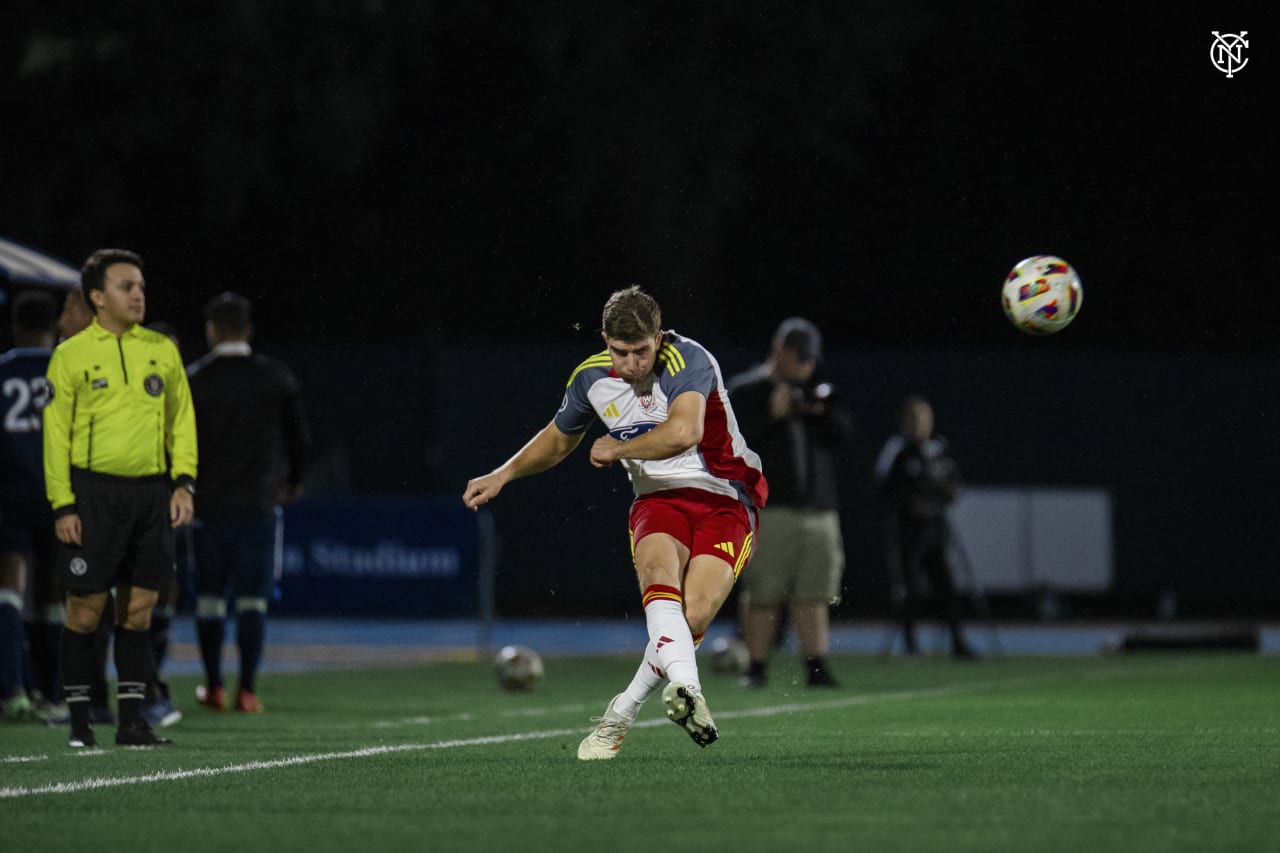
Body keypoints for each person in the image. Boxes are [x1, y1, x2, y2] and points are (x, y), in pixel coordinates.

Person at [463, 285, 768, 760]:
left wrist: (617, 448)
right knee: (659, 582)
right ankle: (690, 693)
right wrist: (504, 474)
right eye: (620, 352)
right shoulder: (590, 378)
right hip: (656, 499)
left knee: (694, 617)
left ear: (659, 338)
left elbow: (685, 431)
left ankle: (620, 712)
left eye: (641, 351)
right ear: (605, 340)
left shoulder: (688, 359)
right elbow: (558, 440)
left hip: (725, 495)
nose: (631, 364)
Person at [42, 248, 198, 747]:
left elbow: (181, 421)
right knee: (84, 611)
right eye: (126, 287)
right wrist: (63, 504)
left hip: (151, 496)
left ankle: (132, 722)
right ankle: (82, 721)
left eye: (141, 286)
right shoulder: (70, 355)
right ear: (97, 297)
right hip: (92, 496)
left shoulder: (162, 349)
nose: (137, 295)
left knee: (139, 611)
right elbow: (55, 436)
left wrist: (183, 482)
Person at [186, 292, 309, 714]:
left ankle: (215, 687)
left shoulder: (194, 379)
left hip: (208, 508)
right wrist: (293, 481)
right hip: (258, 507)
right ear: (248, 330)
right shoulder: (275, 378)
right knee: (253, 601)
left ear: (212, 330)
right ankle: (248, 690)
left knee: (209, 599)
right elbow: (299, 441)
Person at [727, 317, 851, 688]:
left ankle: (816, 666)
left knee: (815, 591)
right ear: (780, 350)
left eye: (810, 359)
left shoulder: (815, 392)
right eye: (800, 357)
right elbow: (730, 445)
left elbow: (843, 435)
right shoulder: (748, 390)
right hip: (770, 508)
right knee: (763, 592)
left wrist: (817, 410)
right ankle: (756, 667)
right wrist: (770, 415)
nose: (807, 366)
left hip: (817, 508)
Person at [873, 394, 975, 659]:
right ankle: (910, 645)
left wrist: (948, 493)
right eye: (916, 419)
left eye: (926, 418)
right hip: (908, 530)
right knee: (907, 588)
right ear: (906, 422)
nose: (922, 424)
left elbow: (952, 481)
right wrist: (910, 501)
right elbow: (884, 487)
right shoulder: (897, 450)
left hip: (936, 529)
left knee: (946, 586)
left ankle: (958, 642)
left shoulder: (938, 449)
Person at [0, 291, 60, 722]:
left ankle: (14, 691)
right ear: (55, 327)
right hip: (63, 497)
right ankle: (55, 694)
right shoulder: (70, 372)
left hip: (10, 495)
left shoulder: (2, 372)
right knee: (57, 596)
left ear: (16, 328)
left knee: (10, 591)